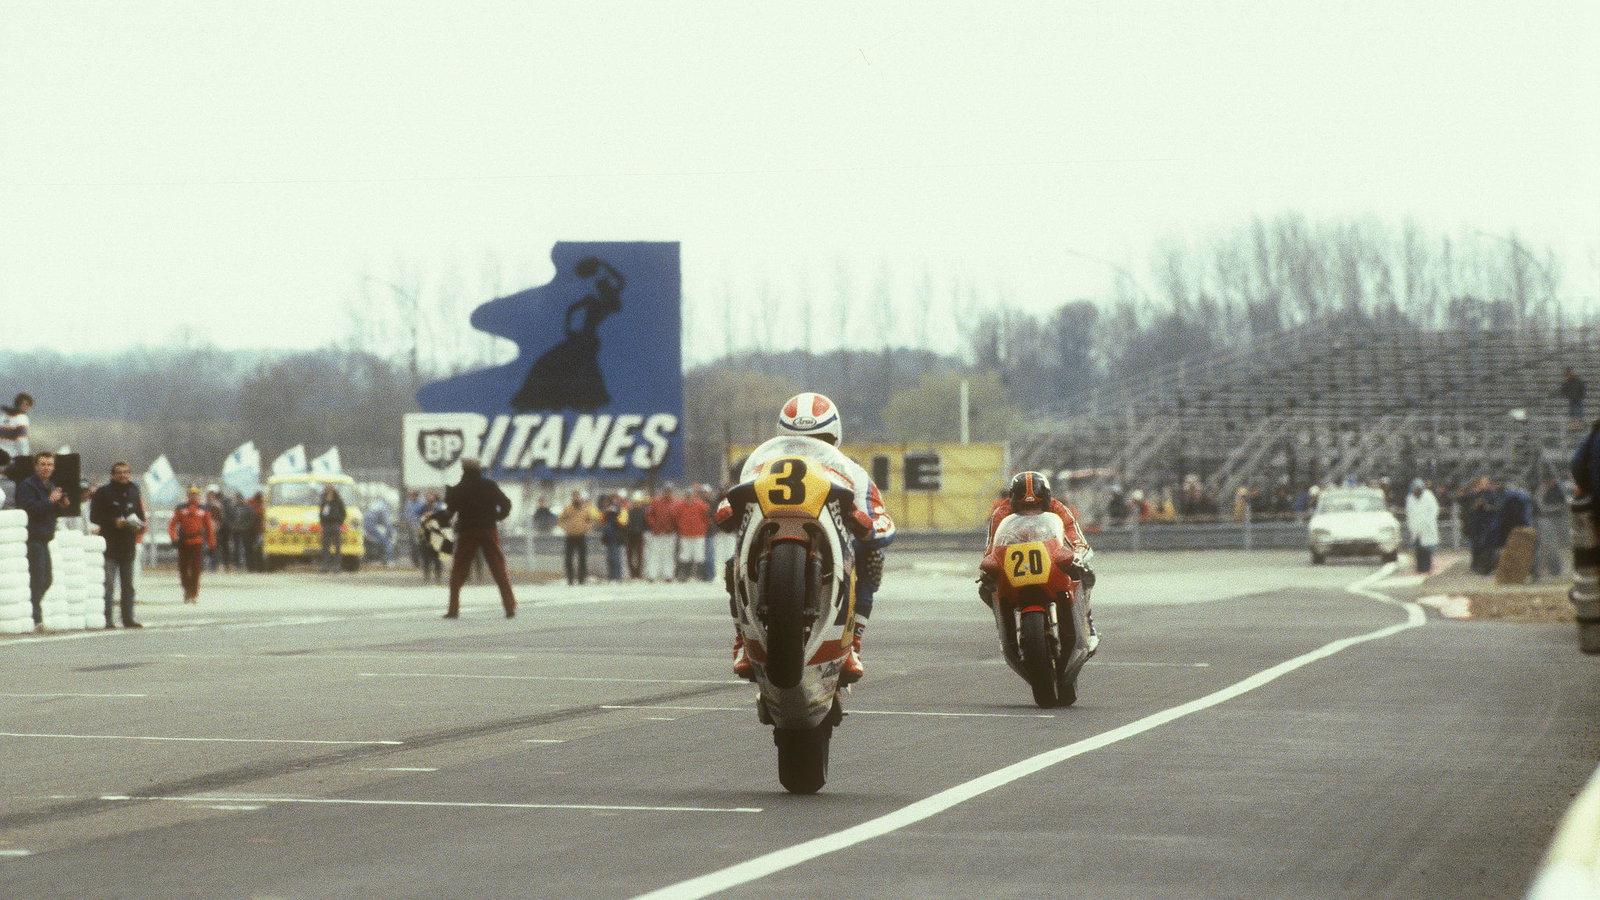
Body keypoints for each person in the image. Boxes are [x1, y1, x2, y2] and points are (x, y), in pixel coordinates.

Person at [718, 393, 895, 683]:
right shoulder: (759, 467)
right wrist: (729, 508)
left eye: (819, 440)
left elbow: (883, 522)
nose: (807, 449)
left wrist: (867, 525)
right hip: (772, 536)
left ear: (834, 438)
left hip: (830, 543)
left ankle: (853, 641)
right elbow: (726, 511)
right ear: (780, 437)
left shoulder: (852, 472)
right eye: (794, 440)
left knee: (873, 555)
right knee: (733, 560)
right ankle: (743, 638)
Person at [980, 471, 1099, 653]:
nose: (1031, 511)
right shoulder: (1001, 513)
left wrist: (1077, 556)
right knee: (985, 587)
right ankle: (1003, 626)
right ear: (1013, 500)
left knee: (1086, 573)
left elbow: (1077, 539)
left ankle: (1086, 620)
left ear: (1046, 499)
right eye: (1023, 507)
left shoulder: (1058, 508)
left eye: (1036, 506)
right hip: (1015, 567)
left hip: (1052, 561)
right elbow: (991, 548)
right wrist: (987, 568)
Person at [440, 458, 517, 618]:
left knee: (459, 569)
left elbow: (449, 513)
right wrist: (497, 516)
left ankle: (453, 608)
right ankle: (509, 606)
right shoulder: (489, 485)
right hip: (488, 529)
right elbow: (506, 504)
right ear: (479, 468)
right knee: (498, 567)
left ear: (463, 469)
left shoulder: (459, 489)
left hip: (467, 531)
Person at [89, 461, 146, 628]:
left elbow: (141, 516)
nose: (123, 475)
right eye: (119, 472)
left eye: (126, 472)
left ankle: (128, 617)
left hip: (128, 544)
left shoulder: (134, 492)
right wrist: (113, 522)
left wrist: (137, 525)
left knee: (128, 585)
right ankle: (107, 618)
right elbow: (94, 517)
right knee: (108, 584)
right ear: (113, 475)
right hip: (110, 543)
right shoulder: (103, 492)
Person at [17, 451, 70, 629]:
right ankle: (36, 618)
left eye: (49, 464)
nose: (46, 468)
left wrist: (60, 506)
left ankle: (34, 611)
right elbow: (29, 509)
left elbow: (50, 511)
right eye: (42, 464)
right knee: (38, 578)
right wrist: (49, 500)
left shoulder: (50, 485)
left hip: (45, 537)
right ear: (35, 466)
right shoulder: (28, 485)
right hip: (33, 537)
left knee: (47, 579)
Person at [168, 486, 216, 603]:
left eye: (195, 494)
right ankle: (186, 590)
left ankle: (194, 594)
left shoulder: (203, 510)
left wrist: (211, 544)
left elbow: (209, 528)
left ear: (199, 496)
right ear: (187, 496)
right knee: (183, 569)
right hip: (184, 542)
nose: (193, 497)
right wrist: (174, 538)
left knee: (196, 569)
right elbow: (172, 525)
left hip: (197, 542)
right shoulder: (181, 509)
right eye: (191, 494)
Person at [557, 490, 600, 585]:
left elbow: (592, 520)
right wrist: (566, 528)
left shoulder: (584, 509)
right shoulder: (568, 509)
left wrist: (586, 527)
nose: (575, 498)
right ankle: (570, 579)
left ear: (579, 497)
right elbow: (560, 520)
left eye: (577, 496)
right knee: (568, 559)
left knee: (582, 558)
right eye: (574, 497)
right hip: (570, 536)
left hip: (581, 536)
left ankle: (581, 579)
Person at [673, 485, 710, 582]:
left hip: (699, 534)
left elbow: (707, 517)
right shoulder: (680, 506)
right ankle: (684, 575)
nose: (689, 496)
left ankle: (699, 575)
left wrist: (703, 528)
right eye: (687, 495)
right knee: (685, 555)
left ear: (693, 495)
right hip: (685, 534)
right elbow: (676, 518)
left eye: (690, 494)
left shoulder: (701, 505)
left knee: (699, 555)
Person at [1403, 478, 1440, 575]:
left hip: (1427, 527)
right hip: (1416, 527)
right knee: (1418, 549)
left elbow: (1434, 509)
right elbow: (1409, 513)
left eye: (1419, 488)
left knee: (1427, 549)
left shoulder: (1428, 495)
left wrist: (1428, 521)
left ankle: (1427, 568)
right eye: (1415, 488)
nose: (1417, 490)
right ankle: (1420, 568)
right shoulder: (1410, 498)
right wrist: (1411, 525)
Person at [645, 485, 678, 582]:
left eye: (669, 491)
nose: (667, 493)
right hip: (657, 532)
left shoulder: (675, 503)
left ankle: (668, 575)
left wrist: (674, 528)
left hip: (670, 533)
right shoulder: (656, 502)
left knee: (668, 554)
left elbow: (677, 517)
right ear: (663, 491)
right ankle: (652, 575)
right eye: (666, 491)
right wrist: (653, 525)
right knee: (655, 553)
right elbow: (649, 515)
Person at [318, 483, 347, 573]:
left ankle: (337, 566)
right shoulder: (324, 500)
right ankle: (325, 566)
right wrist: (322, 523)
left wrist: (339, 523)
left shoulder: (338, 500)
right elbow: (321, 512)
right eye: (327, 490)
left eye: (330, 490)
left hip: (335, 524)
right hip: (326, 525)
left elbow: (343, 512)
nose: (329, 491)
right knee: (325, 547)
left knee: (337, 547)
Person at [599, 492, 628, 582]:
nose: (614, 501)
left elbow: (623, 522)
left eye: (616, 499)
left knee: (617, 557)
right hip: (608, 536)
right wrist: (607, 512)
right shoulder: (607, 510)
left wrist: (615, 516)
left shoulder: (622, 510)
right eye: (613, 499)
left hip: (617, 536)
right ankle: (610, 576)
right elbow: (601, 520)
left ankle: (618, 577)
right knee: (609, 557)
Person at [0, 392, 34, 460]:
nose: (28, 408)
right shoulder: (22, 418)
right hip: (11, 457)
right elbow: (22, 441)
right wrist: (25, 457)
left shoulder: (3, 416)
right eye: (27, 405)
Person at [624, 489, 648, 579]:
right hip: (630, 536)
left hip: (639, 536)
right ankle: (632, 573)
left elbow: (646, 524)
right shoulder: (629, 512)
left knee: (639, 556)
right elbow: (626, 523)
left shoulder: (644, 512)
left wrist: (642, 530)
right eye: (636, 502)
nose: (637, 504)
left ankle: (639, 573)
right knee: (630, 556)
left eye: (639, 502)